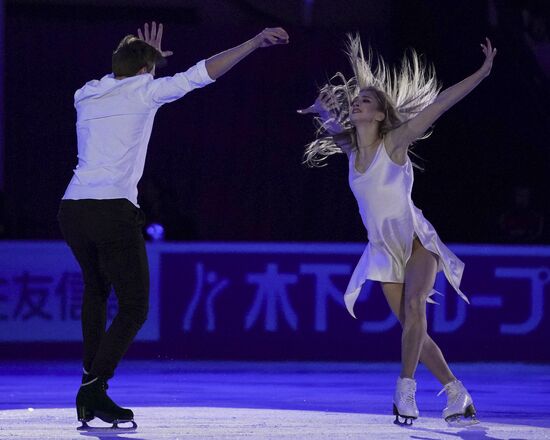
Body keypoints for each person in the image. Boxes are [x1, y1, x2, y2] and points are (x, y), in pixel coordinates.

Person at [57, 22, 289, 430]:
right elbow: (203, 72)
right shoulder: (148, 91)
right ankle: (94, 387)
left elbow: (126, 82)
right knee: (135, 307)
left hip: (73, 209)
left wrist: (147, 64)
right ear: (148, 70)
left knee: (96, 290)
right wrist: (253, 42)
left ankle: (89, 385)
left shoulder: (86, 93)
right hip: (112, 210)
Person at [299, 35, 496, 425]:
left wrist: (481, 72)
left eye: (366, 101)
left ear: (378, 115)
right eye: (356, 100)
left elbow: (440, 103)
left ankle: (404, 390)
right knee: (413, 331)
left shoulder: (396, 142)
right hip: (383, 249)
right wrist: (322, 109)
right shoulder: (352, 151)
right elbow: (327, 116)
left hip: (416, 240)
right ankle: (457, 393)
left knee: (413, 309)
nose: (357, 102)